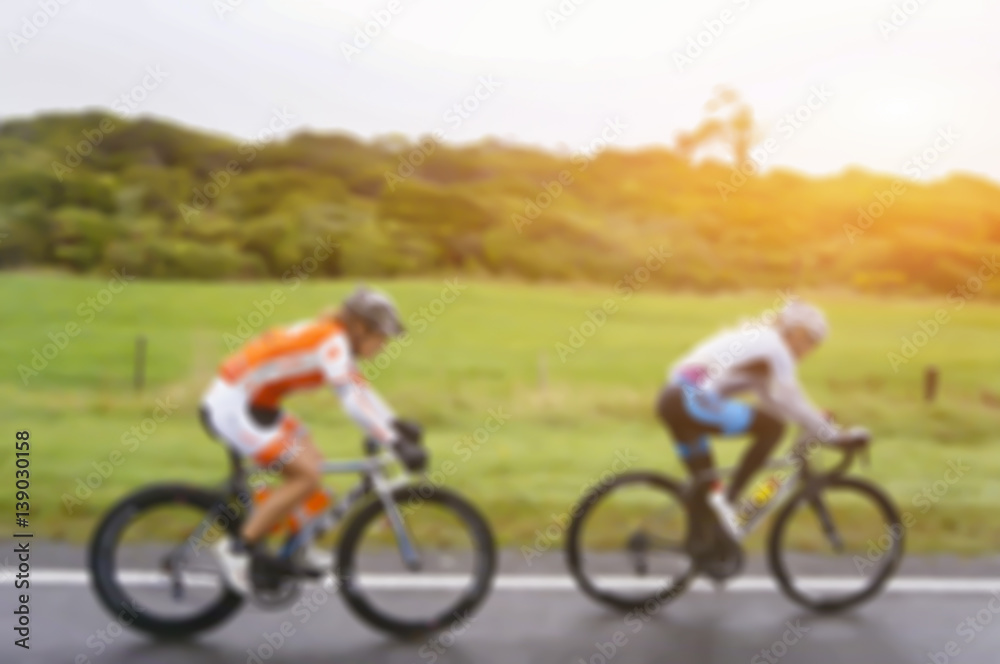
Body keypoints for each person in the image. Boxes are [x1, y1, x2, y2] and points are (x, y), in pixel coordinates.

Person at [200, 285, 420, 593]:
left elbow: (360, 390)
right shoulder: (331, 342)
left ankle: (297, 546)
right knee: (306, 476)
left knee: (314, 460)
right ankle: (237, 550)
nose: (383, 345)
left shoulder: (335, 339)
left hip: (256, 403)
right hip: (231, 406)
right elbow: (350, 399)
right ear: (359, 327)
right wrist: (393, 442)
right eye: (380, 336)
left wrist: (394, 426)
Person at [656, 300, 866, 549]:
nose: (809, 350)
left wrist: (813, 421)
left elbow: (775, 401)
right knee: (772, 428)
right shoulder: (775, 346)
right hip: (691, 401)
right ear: (797, 332)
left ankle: (700, 547)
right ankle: (733, 501)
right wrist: (832, 436)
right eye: (811, 341)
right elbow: (790, 397)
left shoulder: (760, 344)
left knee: (708, 489)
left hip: (673, 399)